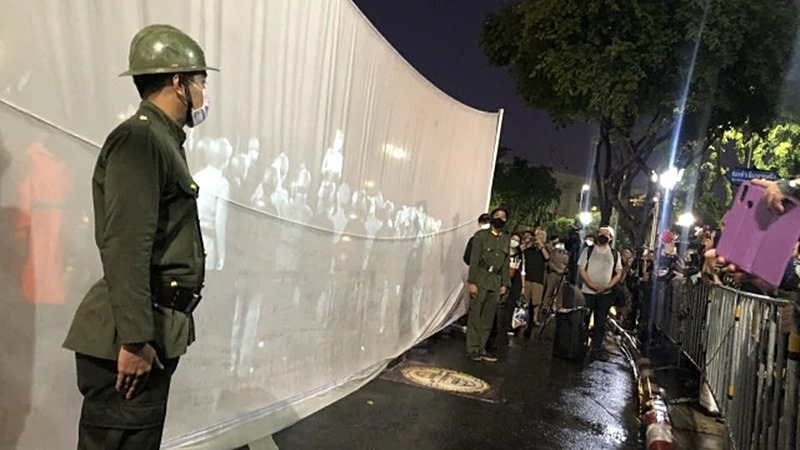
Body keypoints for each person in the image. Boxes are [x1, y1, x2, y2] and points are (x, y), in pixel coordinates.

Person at [62, 24, 216, 450]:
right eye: (201, 80)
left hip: (150, 330)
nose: (205, 92)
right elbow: (126, 244)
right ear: (178, 82)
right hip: (131, 339)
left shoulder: (162, 141)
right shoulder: (140, 140)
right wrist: (134, 339)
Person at [466, 207, 511, 362]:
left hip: (495, 281)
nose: (500, 219)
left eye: (503, 217)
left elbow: (506, 263)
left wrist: (505, 283)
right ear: (492, 218)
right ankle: (472, 348)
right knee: (475, 315)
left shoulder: (505, 239)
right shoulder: (481, 236)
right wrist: (471, 282)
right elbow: (474, 260)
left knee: (488, 318)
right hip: (481, 277)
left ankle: (481, 348)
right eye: (497, 215)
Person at [578, 226, 622, 361]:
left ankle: (596, 349)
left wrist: (608, 286)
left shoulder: (615, 254)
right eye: (601, 233)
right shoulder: (588, 250)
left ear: (611, 238)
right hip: (587, 291)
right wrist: (591, 284)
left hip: (605, 294)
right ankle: (580, 346)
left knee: (600, 322)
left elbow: (618, 272)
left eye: (606, 234)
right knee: (584, 319)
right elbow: (581, 268)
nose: (603, 235)